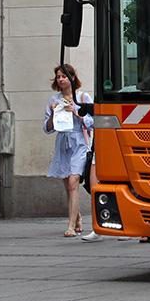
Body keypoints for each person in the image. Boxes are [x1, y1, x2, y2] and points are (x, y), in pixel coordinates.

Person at [44, 63, 93, 237]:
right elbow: (48, 128)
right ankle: (77, 216)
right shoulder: (54, 100)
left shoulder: (83, 97)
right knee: (67, 184)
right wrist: (52, 113)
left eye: (64, 76)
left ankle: (71, 225)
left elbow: (93, 121)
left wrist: (76, 113)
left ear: (72, 78)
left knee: (73, 182)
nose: (61, 79)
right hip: (63, 142)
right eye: (58, 77)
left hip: (79, 141)